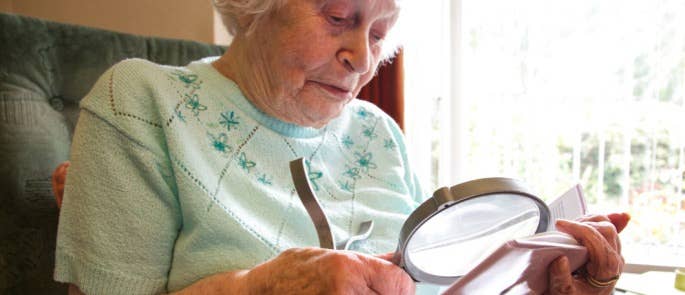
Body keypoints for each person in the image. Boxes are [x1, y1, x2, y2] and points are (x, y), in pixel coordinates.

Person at [53, 0, 629, 294]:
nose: (364, 57)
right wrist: (259, 289)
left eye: (380, 32)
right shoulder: (141, 101)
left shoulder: (376, 132)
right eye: (338, 18)